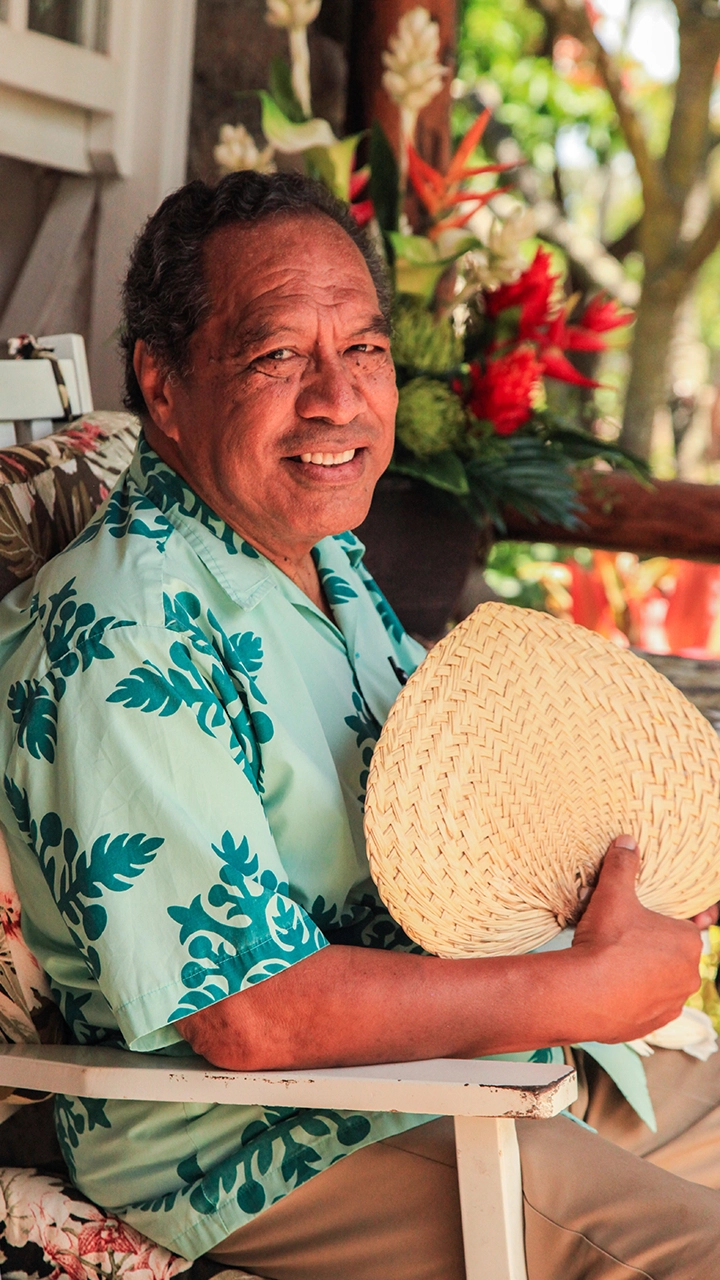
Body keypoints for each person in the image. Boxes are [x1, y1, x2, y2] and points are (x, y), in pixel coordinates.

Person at [0, 170, 719, 1280]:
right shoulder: (119, 629)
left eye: (367, 350)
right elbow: (250, 1018)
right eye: (278, 355)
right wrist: (580, 986)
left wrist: (612, 898)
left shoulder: (324, 563)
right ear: (165, 384)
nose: (338, 400)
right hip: (271, 1137)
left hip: (486, 1063)